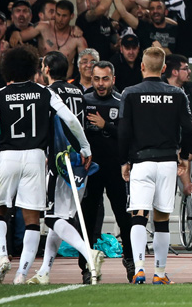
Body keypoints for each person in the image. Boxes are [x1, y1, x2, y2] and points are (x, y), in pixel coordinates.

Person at [0, 45, 91, 285]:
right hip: (35, 158)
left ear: (7, 69)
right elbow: (71, 120)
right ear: (33, 68)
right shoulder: (44, 92)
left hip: (7, 157)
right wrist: (85, 148)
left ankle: (2, 257)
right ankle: (21, 274)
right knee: (32, 218)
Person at [27, 52, 104, 286]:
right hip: (81, 162)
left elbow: (49, 125)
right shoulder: (78, 91)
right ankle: (44, 270)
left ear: (47, 69)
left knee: (52, 218)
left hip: (60, 160)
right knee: (61, 217)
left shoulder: (48, 93)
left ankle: (88, 252)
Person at [119, 47, 192, 285]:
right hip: (167, 162)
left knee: (138, 216)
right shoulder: (177, 94)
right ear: (163, 69)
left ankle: (139, 269)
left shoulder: (130, 93)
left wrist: (124, 161)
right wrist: (184, 156)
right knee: (162, 219)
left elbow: (123, 131)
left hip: (141, 162)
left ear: (142, 66)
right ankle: (160, 273)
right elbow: (189, 129)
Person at [80, 61, 135, 282]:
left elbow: (128, 136)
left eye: (105, 79)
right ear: (91, 79)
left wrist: (106, 126)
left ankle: (130, 261)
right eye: (96, 79)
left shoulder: (122, 102)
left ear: (113, 79)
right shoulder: (83, 101)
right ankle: (87, 266)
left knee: (124, 217)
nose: (100, 84)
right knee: (88, 218)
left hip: (116, 169)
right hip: (91, 170)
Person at [18, 0, 88, 78]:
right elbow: (17, 38)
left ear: (71, 16)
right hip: (42, 79)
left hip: (65, 81)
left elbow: (86, 63)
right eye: (58, 14)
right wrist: (14, 32)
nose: (60, 19)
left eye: (64, 16)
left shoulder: (77, 38)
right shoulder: (42, 28)